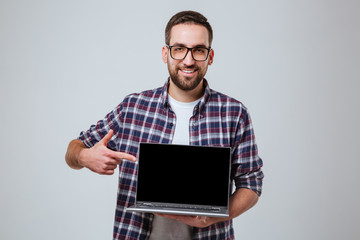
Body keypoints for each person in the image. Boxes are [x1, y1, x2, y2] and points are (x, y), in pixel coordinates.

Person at [65, 10, 264, 240]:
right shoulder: (133, 108)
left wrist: (213, 217)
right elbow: (74, 148)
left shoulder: (233, 113)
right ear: (165, 53)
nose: (188, 60)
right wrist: (84, 157)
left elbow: (251, 183)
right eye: (179, 48)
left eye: (198, 50)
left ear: (210, 56)